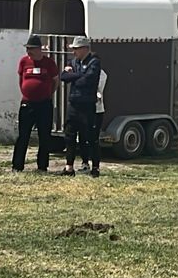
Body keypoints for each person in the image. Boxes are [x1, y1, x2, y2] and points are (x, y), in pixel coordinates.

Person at [58, 36, 107, 177]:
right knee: (70, 135)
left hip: (87, 105)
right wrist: (78, 75)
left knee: (91, 137)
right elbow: (63, 77)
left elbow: (87, 80)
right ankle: (69, 167)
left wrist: (73, 75)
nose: (74, 52)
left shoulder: (94, 62)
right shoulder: (74, 61)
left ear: (85, 48)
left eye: (76, 49)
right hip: (74, 104)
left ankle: (95, 167)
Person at [13, 35, 60, 173]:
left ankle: (42, 166)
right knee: (23, 136)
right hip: (27, 103)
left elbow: (56, 82)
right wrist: (27, 91)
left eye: (32, 49)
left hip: (44, 104)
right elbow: (21, 80)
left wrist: (47, 92)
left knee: (44, 136)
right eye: (27, 49)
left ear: (39, 49)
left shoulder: (49, 63)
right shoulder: (24, 62)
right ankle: (17, 166)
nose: (29, 52)